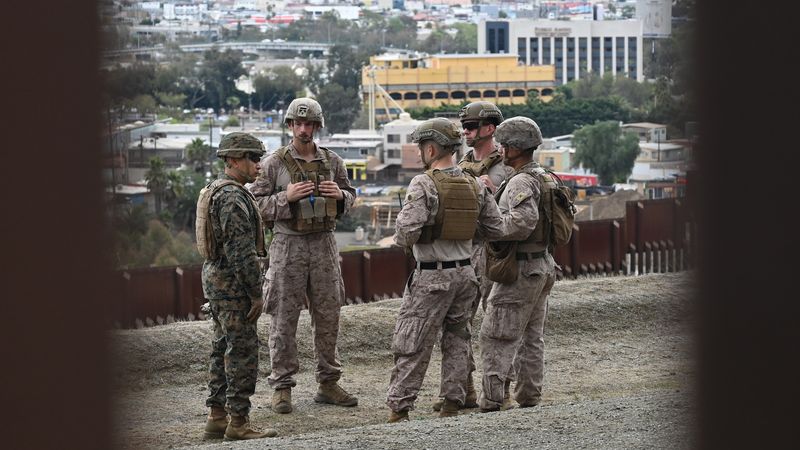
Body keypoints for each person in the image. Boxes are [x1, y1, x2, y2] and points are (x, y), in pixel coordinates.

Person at [386, 118, 508, 423]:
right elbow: (495, 228)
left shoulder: (424, 183)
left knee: (412, 339)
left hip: (432, 275)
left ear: (430, 148)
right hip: (466, 274)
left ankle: (400, 408)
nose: (418, 153)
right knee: (457, 339)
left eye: (419, 148)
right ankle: (452, 402)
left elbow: (404, 233)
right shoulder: (474, 183)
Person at [248, 97, 358, 415]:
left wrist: (341, 197)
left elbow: (351, 194)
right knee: (283, 318)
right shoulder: (273, 164)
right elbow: (255, 206)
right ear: (290, 125)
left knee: (328, 315)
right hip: (287, 246)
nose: (304, 129)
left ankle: (328, 382)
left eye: (309, 123)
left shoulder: (333, 161)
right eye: (298, 123)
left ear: (317, 126)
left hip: (323, 244)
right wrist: (285, 197)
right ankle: (282, 387)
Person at [432, 101, 516, 411]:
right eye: (464, 127)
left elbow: (519, 213)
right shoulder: (460, 165)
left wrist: (496, 190)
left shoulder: (507, 166)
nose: (466, 132)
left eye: (471, 127)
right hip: (465, 250)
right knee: (458, 323)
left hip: (497, 252)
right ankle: (462, 388)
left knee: (500, 323)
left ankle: (501, 390)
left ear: (490, 128)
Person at [196, 132, 277, 441]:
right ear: (233, 160)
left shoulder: (217, 190)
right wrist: (256, 293)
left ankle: (217, 416)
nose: (258, 165)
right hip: (233, 288)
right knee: (241, 353)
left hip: (217, 283)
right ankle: (238, 422)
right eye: (252, 158)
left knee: (221, 350)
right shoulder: (232, 197)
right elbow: (240, 252)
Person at [479, 116, 558, 412]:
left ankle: (493, 399)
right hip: (542, 264)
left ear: (514, 148)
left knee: (496, 333)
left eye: (503, 143)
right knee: (531, 337)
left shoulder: (521, 180)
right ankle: (529, 395)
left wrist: (490, 225)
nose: (499, 148)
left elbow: (523, 222)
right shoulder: (544, 175)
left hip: (522, 268)